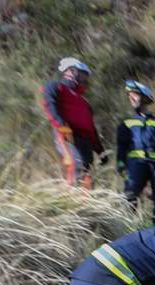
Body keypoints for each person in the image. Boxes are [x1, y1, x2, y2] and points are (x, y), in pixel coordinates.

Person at [116, 79, 155, 225]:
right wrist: (120, 162)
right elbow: (122, 145)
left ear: (145, 97)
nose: (131, 98)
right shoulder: (125, 124)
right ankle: (130, 230)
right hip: (135, 165)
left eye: (134, 94)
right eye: (129, 95)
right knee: (129, 197)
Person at [41, 57, 104, 188]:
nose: (85, 78)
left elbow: (91, 128)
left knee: (87, 174)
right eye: (83, 74)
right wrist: (61, 125)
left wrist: (100, 150)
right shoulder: (55, 86)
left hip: (85, 142)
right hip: (67, 136)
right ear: (72, 71)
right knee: (76, 166)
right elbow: (49, 104)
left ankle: (86, 203)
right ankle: (71, 203)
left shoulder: (84, 102)